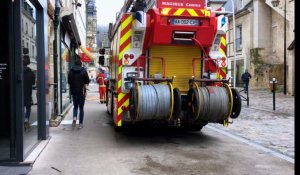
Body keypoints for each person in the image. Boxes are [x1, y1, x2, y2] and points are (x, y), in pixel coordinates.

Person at [68, 58, 90, 129]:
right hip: (81, 92)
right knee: (81, 108)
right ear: (81, 64)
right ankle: (80, 124)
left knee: (75, 107)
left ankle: (74, 118)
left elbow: (69, 81)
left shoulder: (71, 71)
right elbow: (87, 81)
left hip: (74, 92)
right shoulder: (84, 71)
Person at [23, 55, 35, 130]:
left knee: (21, 107)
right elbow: (33, 83)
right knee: (28, 107)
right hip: (28, 92)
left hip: (20, 93)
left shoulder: (18, 70)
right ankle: (26, 119)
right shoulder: (31, 72)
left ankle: (20, 121)